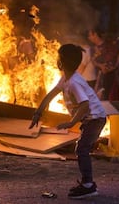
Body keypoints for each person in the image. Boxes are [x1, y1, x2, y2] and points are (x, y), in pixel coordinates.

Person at [29, 44, 106, 199]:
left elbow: (84, 105)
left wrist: (71, 123)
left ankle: (88, 186)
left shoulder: (74, 82)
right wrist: (38, 112)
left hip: (95, 119)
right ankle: (87, 183)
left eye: (58, 57)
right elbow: (51, 94)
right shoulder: (66, 78)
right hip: (92, 119)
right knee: (81, 148)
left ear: (61, 62)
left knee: (82, 149)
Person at [87, 28, 119, 100]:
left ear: (95, 34)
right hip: (97, 79)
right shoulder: (92, 49)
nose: (89, 38)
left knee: (107, 100)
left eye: (90, 35)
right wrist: (99, 65)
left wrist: (114, 67)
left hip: (110, 79)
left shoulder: (109, 46)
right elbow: (93, 61)